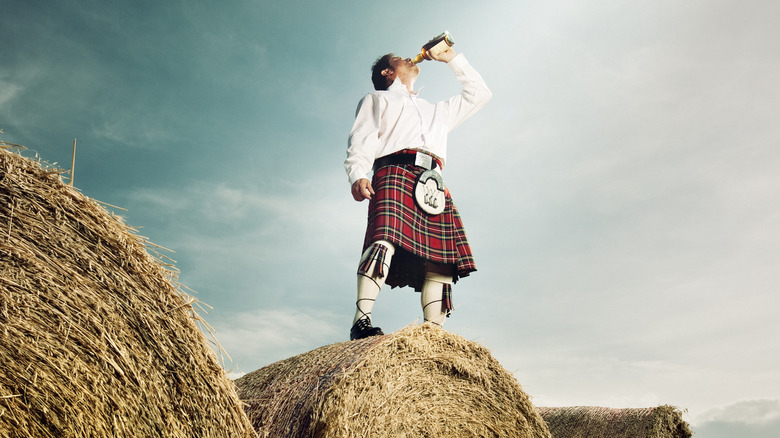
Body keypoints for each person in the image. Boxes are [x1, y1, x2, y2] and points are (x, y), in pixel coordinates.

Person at [345, 43, 491, 340]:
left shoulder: (435, 110)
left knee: (441, 260)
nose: (409, 58)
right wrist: (358, 174)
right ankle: (361, 320)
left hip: (432, 181)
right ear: (388, 71)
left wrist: (451, 59)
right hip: (394, 171)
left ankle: (433, 335)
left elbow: (480, 94)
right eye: (399, 58)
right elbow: (361, 138)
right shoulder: (377, 99)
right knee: (383, 240)